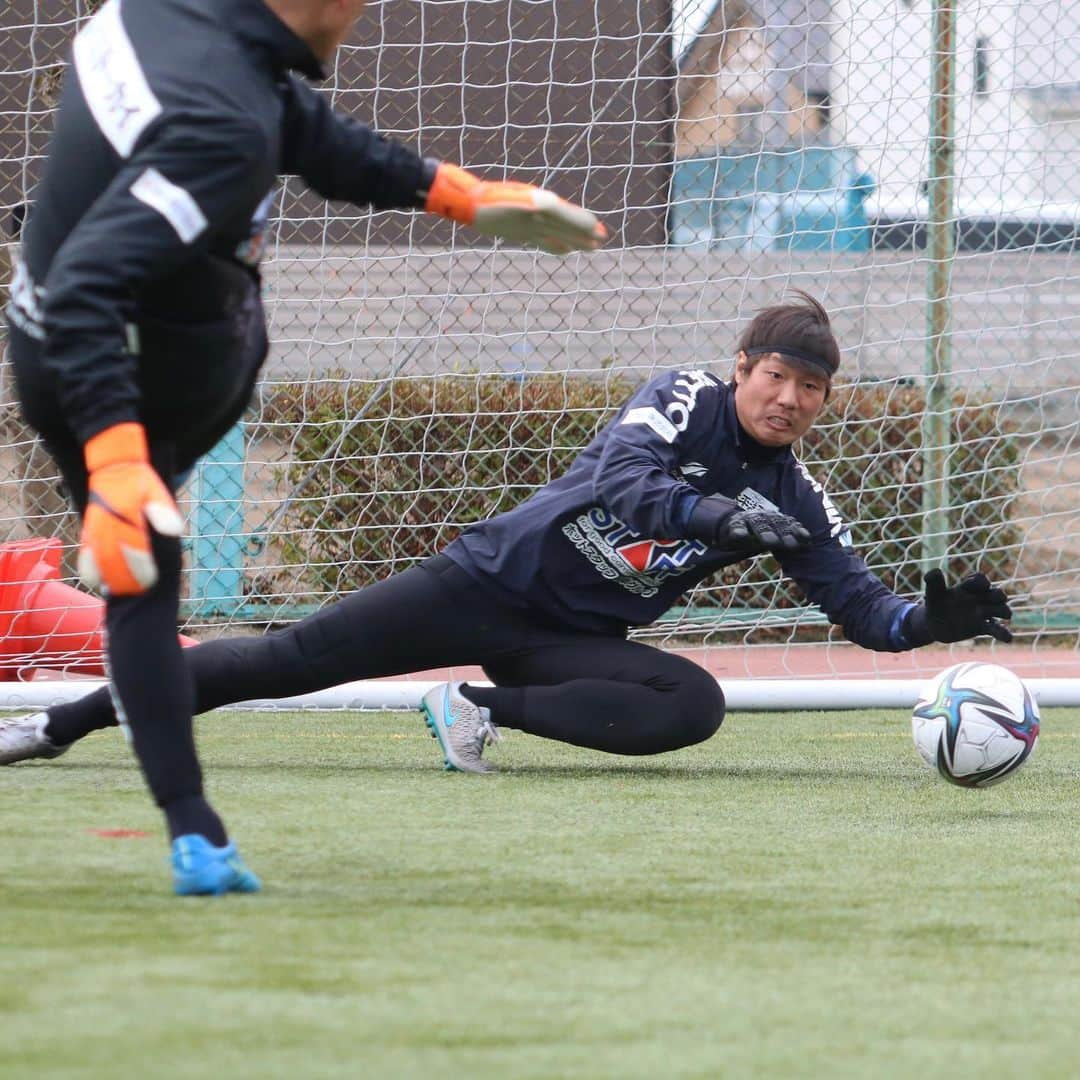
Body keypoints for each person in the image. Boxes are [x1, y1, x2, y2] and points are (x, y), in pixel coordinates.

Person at [3, 0, 606, 896]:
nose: (360, 14)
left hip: (76, 350)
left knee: (140, 578)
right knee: (144, 573)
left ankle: (190, 831)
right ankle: (192, 832)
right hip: (118, 372)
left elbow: (306, 133)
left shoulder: (194, 36)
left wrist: (459, 194)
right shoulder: (219, 123)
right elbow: (92, 283)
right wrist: (118, 456)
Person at [2, 292, 1013, 782]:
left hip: (561, 640)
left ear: (825, 402)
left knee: (691, 704)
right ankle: (59, 727)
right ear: (744, 368)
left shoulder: (800, 497)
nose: (789, 399)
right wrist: (711, 516)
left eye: (812, 389)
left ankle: (476, 711)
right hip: (481, 583)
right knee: (283, 659)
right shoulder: (683, 396)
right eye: (777, 376)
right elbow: (626, 479)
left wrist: (928, 620)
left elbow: (861, 605)